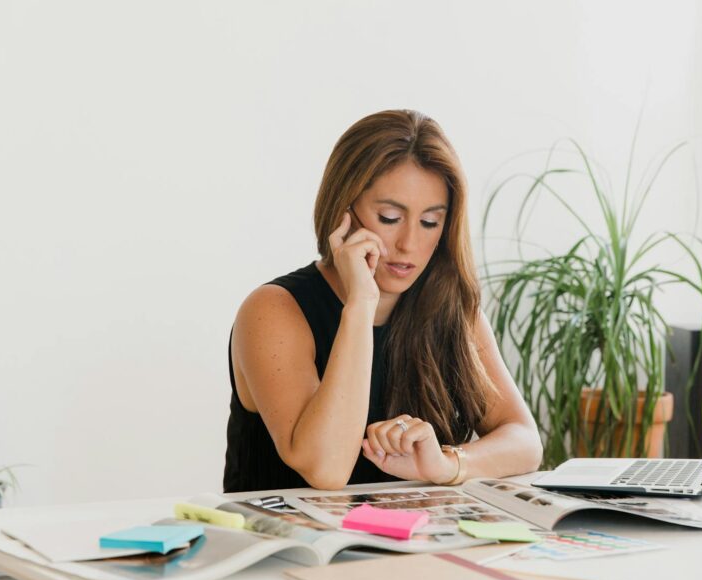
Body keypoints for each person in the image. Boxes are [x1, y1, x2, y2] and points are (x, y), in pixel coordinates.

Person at [223, 109, 543, 492]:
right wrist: (360, 304)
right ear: (343, 212)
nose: (409, 244)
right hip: (290, 548)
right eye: (390, 217)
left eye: (430, 222)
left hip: (408, 545)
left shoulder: (452, 309)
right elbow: (326, 469)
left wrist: (447, 464)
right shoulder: (274, 310)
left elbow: (524, 441)